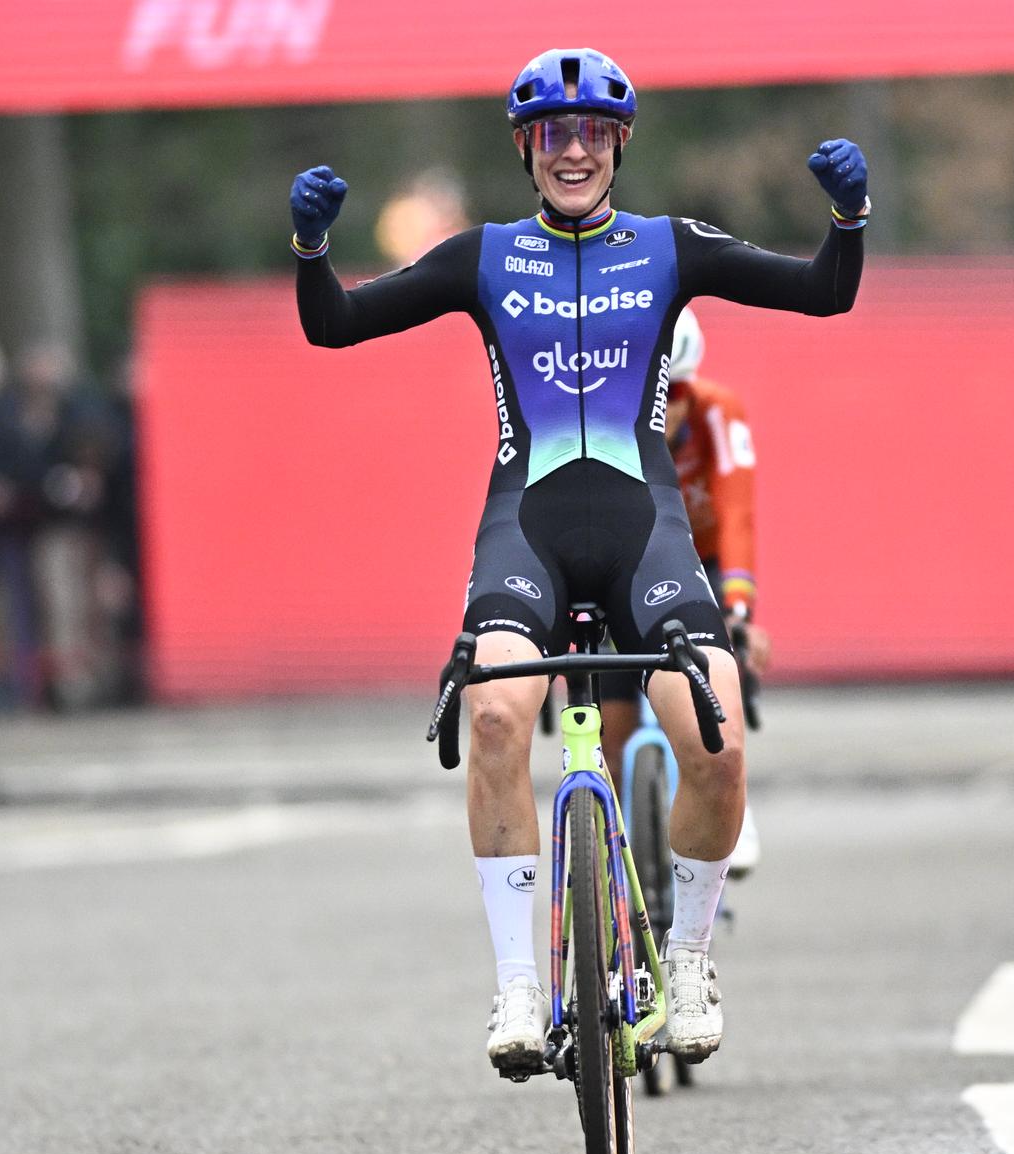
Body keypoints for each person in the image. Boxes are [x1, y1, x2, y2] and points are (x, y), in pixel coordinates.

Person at [287, 47, 867, 1078]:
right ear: (526, 148)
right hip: (530, 532)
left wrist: (848, 220)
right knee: (495, 716)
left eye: (592, 132)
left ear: (619, 143)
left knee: (719, 737)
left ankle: (688, 959)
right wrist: (310, 246)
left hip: (647, 536)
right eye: (553, 133)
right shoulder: (484, 257)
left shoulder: (670, 246)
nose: (573, 151)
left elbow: (823, 292)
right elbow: (334, 324)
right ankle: (519, 981)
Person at [598, 307, 770, 876]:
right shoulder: (600, 420)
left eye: (676, 393)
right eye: (651, 392)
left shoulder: (720, 412)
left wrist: (739, 608)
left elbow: (737, 513)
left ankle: (735, 802)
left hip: (703, 560)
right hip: (627, 565)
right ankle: (613, 871)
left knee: (724, 661)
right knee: (612, 735)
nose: (664, 408)